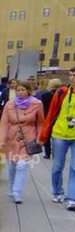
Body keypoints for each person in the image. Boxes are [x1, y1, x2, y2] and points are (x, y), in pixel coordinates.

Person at [0, 80, 44, 204]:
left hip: (28, 138)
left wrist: (40, 138)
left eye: (23, 90)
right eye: (18, 90)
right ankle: (12, 188)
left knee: (22, 165)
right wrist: (1, 140)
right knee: (12, 165)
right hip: (11, 138)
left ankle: (17, 192)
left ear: (28, 91)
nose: (20, 92)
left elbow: (40, 122)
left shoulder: (37, 104)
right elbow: (3, 123)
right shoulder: (9, 104)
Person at [38, 68, 75, 208]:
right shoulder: (62, 93)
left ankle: (72, 197)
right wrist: (43, 136)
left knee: (74, 167)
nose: (73, 78)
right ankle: (58, 192)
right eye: (71, 75)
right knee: (57, 166)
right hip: (59, 134)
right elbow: (51, 114)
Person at [37, 78, 62, 160]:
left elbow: (43, 107)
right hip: (59, 117)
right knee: (57, 137)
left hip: (48, 117)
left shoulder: (45, 95)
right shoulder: (63, 95)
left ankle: (47, 153)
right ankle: (56, 153)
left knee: (47, 136)